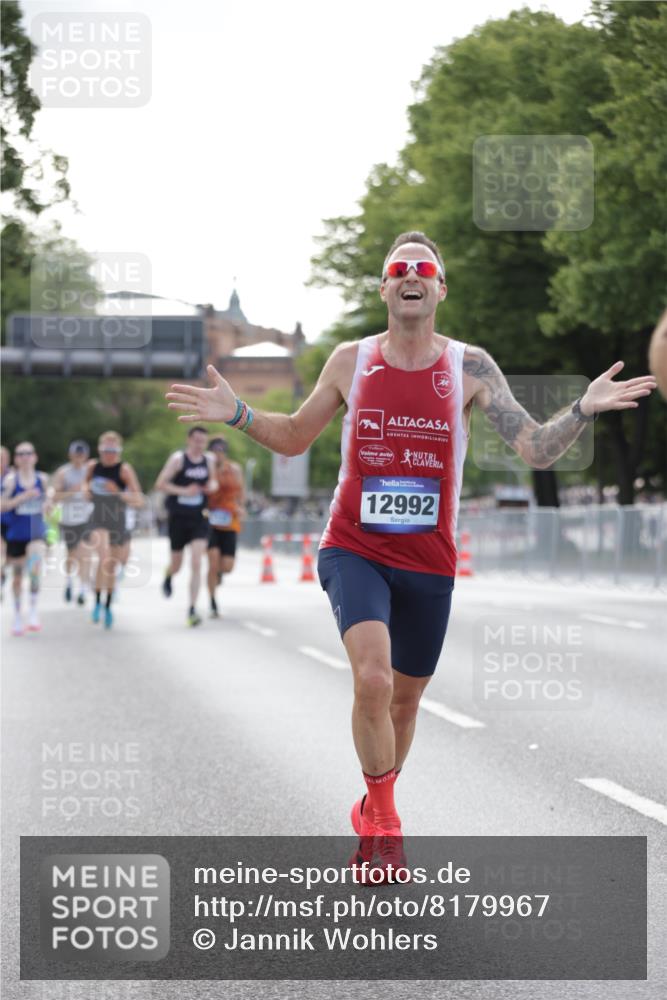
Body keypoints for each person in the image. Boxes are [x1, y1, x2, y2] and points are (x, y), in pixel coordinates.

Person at [166, 231, 657, 881]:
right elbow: (291, 438)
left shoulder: (469, 367)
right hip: (354, 547)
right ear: (384, 288)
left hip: (429, 559)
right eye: (397, 268)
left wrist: (582, 409)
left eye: (423, 268)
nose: (410, 275)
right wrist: (238, 413)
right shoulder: (349, 359)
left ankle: (370, 806)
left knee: (403, 702)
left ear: (439, 289)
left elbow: (535, 450)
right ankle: (388, 822)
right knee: (371, 678)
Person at [155, 427, 218, 627]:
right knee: (177, 564)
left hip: (199, 516)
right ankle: (168, 574)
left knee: (197, 561)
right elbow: (161, 484)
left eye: (203, 441)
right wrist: (184, 490)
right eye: (196, 440)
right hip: (178, 517)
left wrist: (212, 487)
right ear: (189, 440)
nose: (200, 445)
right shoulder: (178, 459)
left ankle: (192, 608)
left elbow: (214, 481)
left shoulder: (209, 460)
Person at [83, 431, 143, 629]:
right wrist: (86, 491)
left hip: (117, 519)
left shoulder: (124, 470)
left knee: (110, 566)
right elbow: (85, 487)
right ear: (99, 450)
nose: (109, 454)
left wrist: (116, 491)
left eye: (113, 450)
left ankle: (107, 605)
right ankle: (97, 602)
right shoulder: (93, 467)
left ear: (119, 451)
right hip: (98, 518)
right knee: (104, 557)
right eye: (105, 450)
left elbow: (138, 500)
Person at [0, 442, 50, 635]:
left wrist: (48, 505)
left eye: (28, 453)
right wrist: (21, 498)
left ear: (35, 457)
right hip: (16, 534)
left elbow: (48, 499)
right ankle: (18, 615)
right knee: (18, 578)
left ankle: (34, 610)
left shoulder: (42, 479)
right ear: (16, 459)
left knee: (36, 567)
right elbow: (2, 505)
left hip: (36, 532)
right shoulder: (11, 481)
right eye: (21, 454)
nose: (25, 457)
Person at [50, 440, 94, 605]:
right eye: (76, 454)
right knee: (72, 556)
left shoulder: (90, 471)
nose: (79, 458)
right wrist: (72, 491)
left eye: (81, 455)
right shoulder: (63, 473)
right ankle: (69, 581)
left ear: (86, 456)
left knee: (85, 553)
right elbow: (55, 496)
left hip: (86, 517)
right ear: (70, 455)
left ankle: (82, 589)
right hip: (68, 519)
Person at [205, 436, 245, 618]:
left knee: (227, 566)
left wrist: (241, 507)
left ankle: (220, 574)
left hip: (229, 521)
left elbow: (241, 491)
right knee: (212, 563)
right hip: (209, 520)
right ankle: (213, 602)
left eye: (220, 451)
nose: (217, 454)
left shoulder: (234, 469)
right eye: (214, 451)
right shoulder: (205, 469)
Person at [1, 445, 13, 599]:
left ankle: (2, 576)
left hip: (11, 522)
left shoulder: (13, 477)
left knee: (8, 558)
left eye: (2, 459)